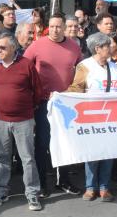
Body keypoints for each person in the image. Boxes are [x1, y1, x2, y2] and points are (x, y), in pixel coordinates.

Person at [67, 32, 117, 202]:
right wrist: (60, 96)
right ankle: (90, 187)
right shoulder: (85, 66)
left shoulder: (114, 66)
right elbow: (76, 88)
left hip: (112, 119)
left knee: (108, 153)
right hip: (92, 118)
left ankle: (104, 187)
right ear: (98, 48)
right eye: (108, 45)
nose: (113, 47)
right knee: (92, 154)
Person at [24, 13, 82, 197]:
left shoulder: (74, 47)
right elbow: (25, 68)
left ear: (65, 27)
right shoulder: (37, 45)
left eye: (59, 26)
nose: (55, 30)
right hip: (43, 103)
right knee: (42, 144)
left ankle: (63, 180)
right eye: (52, 26)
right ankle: (41, 183)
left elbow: (82, 72)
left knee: (65, 143)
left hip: (65, 104)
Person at [0, 33, 43, 210]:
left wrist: (27, 109)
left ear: (13, 48)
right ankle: (2, 190)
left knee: (27, 158)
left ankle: (32, 194)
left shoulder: (26, 65)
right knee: (2, 158)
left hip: (24, 120)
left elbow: (37, 91)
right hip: (0, 120)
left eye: (3, 47)